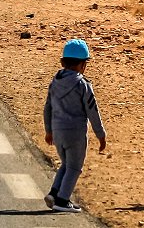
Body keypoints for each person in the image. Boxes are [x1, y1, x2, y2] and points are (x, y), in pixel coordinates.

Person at [42, 39, 107, 213]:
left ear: (62, 62)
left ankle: (54, 193)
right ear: (83, 65)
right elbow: (92, 110)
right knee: (74, 167)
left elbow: (47, 107)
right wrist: (100, 134)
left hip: (57, 131)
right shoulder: (82, 84)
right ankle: (62, 200)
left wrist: (48, 130)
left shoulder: (55, 82)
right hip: (75, 133)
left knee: (66, 164)